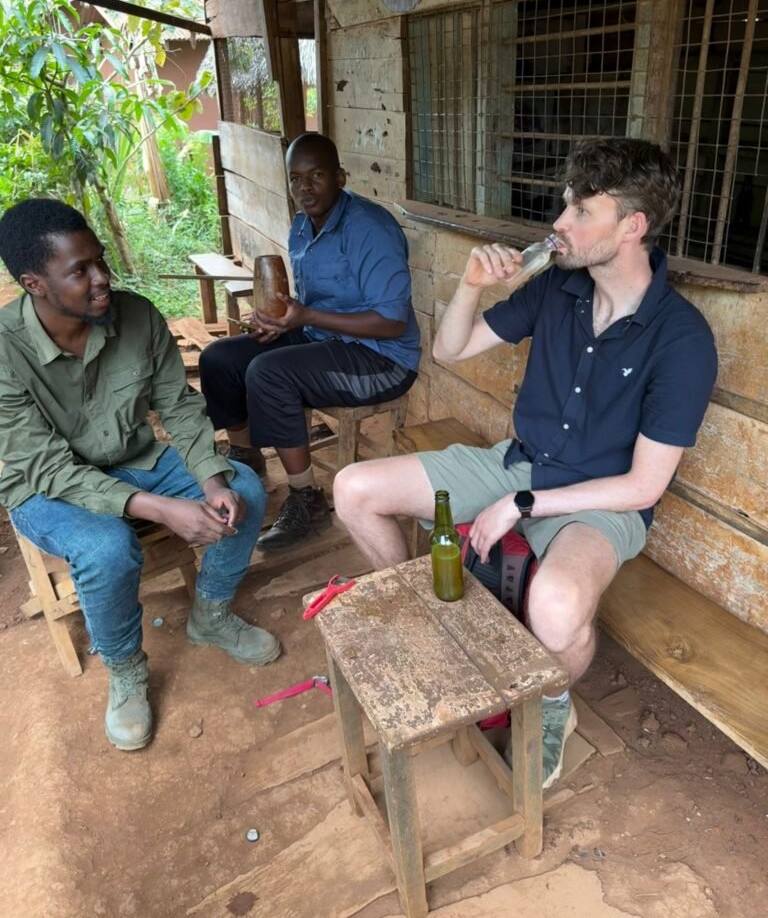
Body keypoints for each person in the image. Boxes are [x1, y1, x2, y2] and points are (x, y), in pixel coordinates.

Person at [333, 138, 718, 788]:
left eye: (580, 212)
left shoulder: (681, 339)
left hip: (602, 502)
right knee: (353, 488)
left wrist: (526, 504)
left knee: (559, 606)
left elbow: (645, 484)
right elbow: (453, 350)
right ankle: (445, 627)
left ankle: (553, 706)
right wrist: (470, 286)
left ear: (633, 227)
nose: (559, 225)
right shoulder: (558, 289)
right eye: (565, 205)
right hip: (518, 463)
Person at [0, 199, 280, 752]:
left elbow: (177, 405)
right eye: (80, 271)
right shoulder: (4, 351)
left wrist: (210, 480)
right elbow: (47, 465)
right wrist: (156, 508)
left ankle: (211, 614)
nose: (103, 279)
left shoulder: (137, 314)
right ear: (33, 283)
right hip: (45, 486)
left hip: (135, 458)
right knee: (107, 548)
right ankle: (126, 668)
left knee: (245, 488)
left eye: (100, 261)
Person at [199, 132, 421, 552]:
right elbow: (310, 309)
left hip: (382, 359)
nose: (305, 189)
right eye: (295, 179)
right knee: (220, 358)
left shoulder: (370, 228)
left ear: (339, 176)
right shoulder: (303, 225)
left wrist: (305, 317)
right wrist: (283, 324)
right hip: (324, 338)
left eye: (316, 176)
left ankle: (307, 501)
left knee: (270, 373)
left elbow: (392, 323)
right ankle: (247, 464)